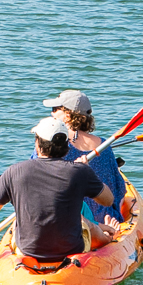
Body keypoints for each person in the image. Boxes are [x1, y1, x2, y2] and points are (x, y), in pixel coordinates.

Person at [0, 116, 114, 271]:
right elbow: (108, 200)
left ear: (38, 144)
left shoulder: (14, 171)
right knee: (87, 223)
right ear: (66, 146)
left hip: (28, 251)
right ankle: (108, 240)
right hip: (71, 251)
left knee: (17, 222)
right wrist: (85, 171)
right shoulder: (80, 172)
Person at [44, 89, 127, 236]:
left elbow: (35, 175)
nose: (52, 113)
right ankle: (104, 230)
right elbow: (118, 190)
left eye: (55, 109)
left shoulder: (53, 144)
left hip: (69, 218)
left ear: (68, 115)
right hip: (105, 216)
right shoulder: (104, 146)